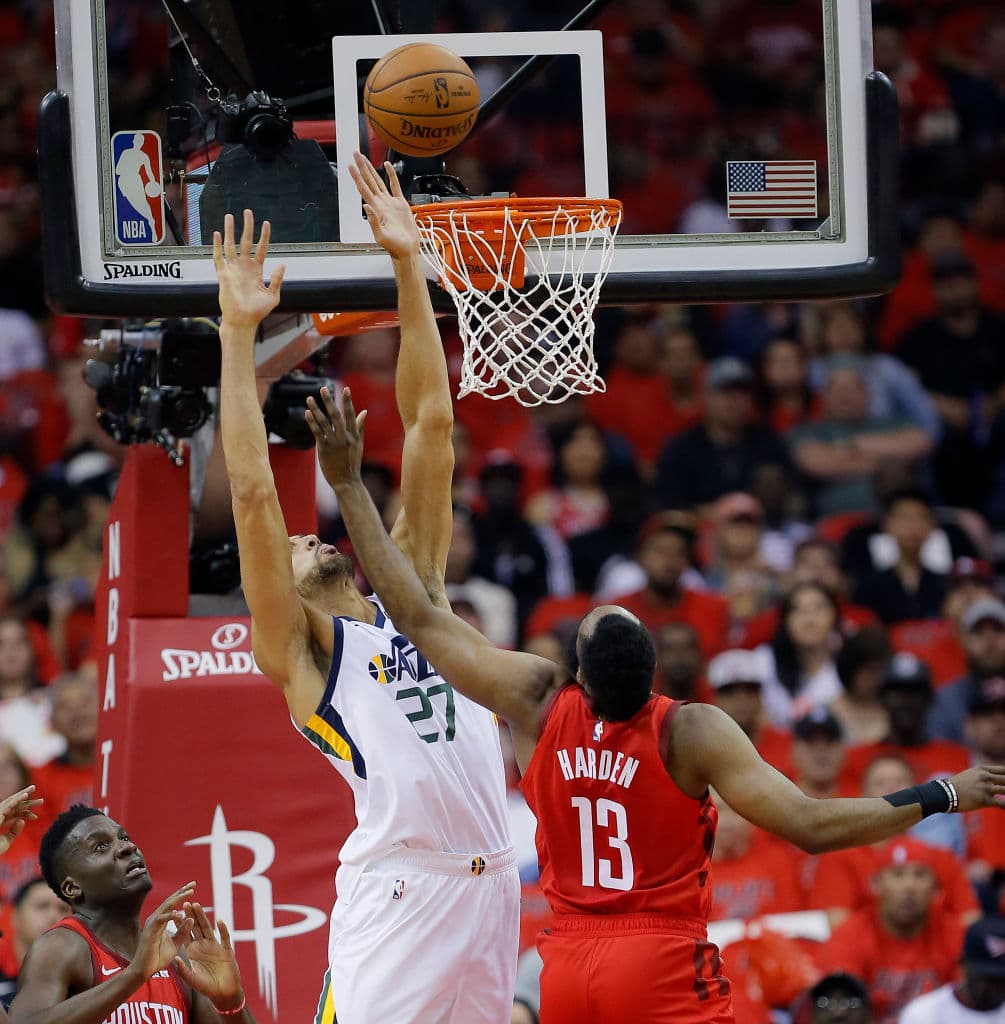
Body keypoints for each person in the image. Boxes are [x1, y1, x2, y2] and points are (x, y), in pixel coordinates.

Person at [305, 367, 1005, 1024]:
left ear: (579, 670)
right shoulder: (689, 730)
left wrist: (349, 486)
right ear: (654, 674)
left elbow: (418, 615)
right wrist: (944, 794)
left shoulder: (538, 700)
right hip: (659, 955)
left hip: (569, 964)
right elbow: (811, 826)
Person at [214, 158, 516, 1024]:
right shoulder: (303, 653)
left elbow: (430, 424)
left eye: (313, 535)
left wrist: (409, 265)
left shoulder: (414, 596)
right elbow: (251, 496)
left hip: (492, 881)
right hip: (400, 897)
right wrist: (239, 338)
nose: (307, 537)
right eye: (296, 546)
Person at [10, 806, 250, 1024]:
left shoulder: (177, 955)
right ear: (72, 887)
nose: (127, 847)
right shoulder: (62, 946)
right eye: (100, 847)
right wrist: (136, 973)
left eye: (124, 838)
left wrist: (230, 1001)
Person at [818, 838, 964, 1024]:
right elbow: (838, 1008)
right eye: (898, 874)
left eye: (919, 875)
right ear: (875, 885)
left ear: (935, 888)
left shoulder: (954, 934)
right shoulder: (849, 936)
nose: (909, 886)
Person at [898, 917, 1005, 1024]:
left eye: (1002, 979)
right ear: (962, 966)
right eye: (988, 978)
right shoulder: (923, 1015)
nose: (995, 987)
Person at [0, 877, 67, 1003]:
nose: (54, 916)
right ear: (15, 916)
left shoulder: (82, 978)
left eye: (62, 909)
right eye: (42, 906)